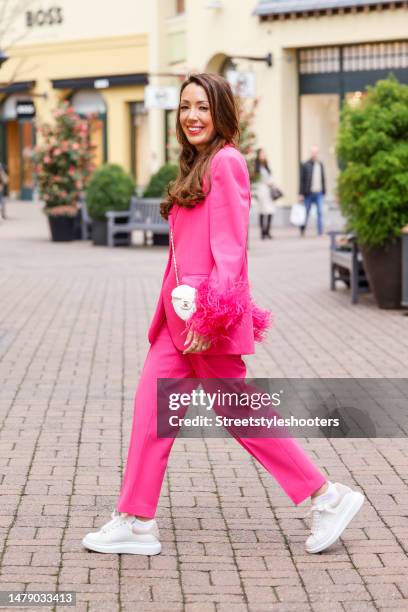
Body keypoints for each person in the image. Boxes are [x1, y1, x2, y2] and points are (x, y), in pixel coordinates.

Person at [82, 73, 364, 557]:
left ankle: (327, 495)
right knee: (153, 408)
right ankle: (137, 518)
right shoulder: (198, 163)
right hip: (177, 322)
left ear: (221, 114)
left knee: (241, 412)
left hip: (204, 321)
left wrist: (207, 320)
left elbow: (230, 252)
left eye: (203, 107)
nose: (192, 116)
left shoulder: (228, 162)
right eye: (185, 107)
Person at [299, 145, 326, 236]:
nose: (314, 154)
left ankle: (320, 231)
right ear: (311, 153)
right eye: (313, 152)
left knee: (320, 212)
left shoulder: (320, 164)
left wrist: (324, 191)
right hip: (308, 193)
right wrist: (301, 193)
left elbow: (323, 178)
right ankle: (302, 229)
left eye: (316, 152)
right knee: (306, 212)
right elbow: (302, 180)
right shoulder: (305, 164)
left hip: (319, 192)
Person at [254, 148, 275, 239]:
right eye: (262, 154)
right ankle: (262, 232)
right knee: (262, 211)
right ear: (258, 155)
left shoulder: (267, 165)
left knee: (270, 210)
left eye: (264, 154)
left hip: (268, 191)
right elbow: (255, 180)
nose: (264, 155)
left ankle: (267, 231)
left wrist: (271, 182)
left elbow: (271, 176)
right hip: (260, 190)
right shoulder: (256, 167)